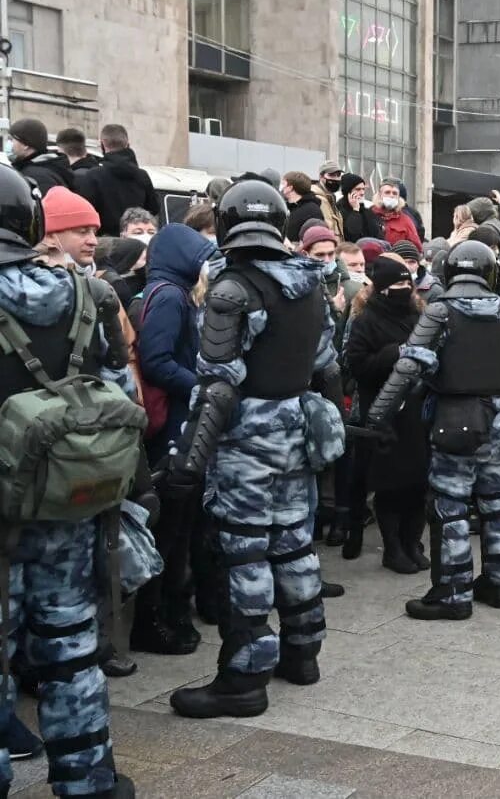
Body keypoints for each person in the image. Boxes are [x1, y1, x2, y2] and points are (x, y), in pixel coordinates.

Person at [166, 180, 344, 718]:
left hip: (246, 440)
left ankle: (243, 677)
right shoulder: (310, 284)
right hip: (297, 429)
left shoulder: (230, 289)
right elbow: (326, 365)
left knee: (244, 552)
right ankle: (303, 652)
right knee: (293, 543)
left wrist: (187, 463)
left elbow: (217, 384)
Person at [0, 164, 136, 797]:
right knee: (71, 646)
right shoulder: (87, 294)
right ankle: (88, 778)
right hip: (66, 501)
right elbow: (122, 392)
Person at [363, 241, 500, 620]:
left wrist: (377, 416)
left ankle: (451, 593)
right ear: (492, 273)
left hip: (452, 423)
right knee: (497, 507)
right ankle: (499, 583)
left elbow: (408, 368)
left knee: (450, 508)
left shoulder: (440, 313)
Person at [131, 223, 218, 654]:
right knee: (170, 530)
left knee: (178, 528)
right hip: (173, 431)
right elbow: (157, 360)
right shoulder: (170, 297)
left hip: (177, 425)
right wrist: (202, 385)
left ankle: (169, 614)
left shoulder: (172, 293)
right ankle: (156, 620)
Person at [344, 255, 431, 574]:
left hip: (417, 411)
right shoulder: (366, 321)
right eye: (396, 284)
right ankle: (392, 548)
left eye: (407, 283)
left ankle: (412, 544)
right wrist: (395, 353)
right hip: (383, 413)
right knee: (391, 485)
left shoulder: (419, 315)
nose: (404, 289)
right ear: (380, 289)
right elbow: (357, 366)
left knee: (418, 485)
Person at [77, 124, 162, 237]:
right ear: (127, 144)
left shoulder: (94, 176)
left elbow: (85, 214)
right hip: (135, 243)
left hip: (105, 244)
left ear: (102, 144)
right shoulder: (142, 176)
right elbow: (154, 209)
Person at [8, 118, 77, 196]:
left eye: (12, 139)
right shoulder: (47, 167)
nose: (9, 144)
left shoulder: (37, 177)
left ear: (25, 144)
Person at [373, 179, 422, 251]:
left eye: (394, 193)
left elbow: (417, 248)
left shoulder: (405, 220)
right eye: (387, 192)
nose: (391, 195)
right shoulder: (369, 215)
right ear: (380, 195)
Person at [282, 171, 327, 243]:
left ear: (290, 188)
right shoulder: (287, 207)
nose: (281, 187)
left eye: (283, 184)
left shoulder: (312, 211)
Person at [338, 174, 382, 243]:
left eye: (363, 189)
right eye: (358, 189)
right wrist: (355, 210)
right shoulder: (339, 211)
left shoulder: (367, 211)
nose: (362, 193)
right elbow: (352, 235)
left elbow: (377, 235)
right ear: (348, 192)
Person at [312, 161, 345, 238]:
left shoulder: (331, 198)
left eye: (338, 175)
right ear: (321, 176)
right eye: (331, 175)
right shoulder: (315, 198)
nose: (336, 178)